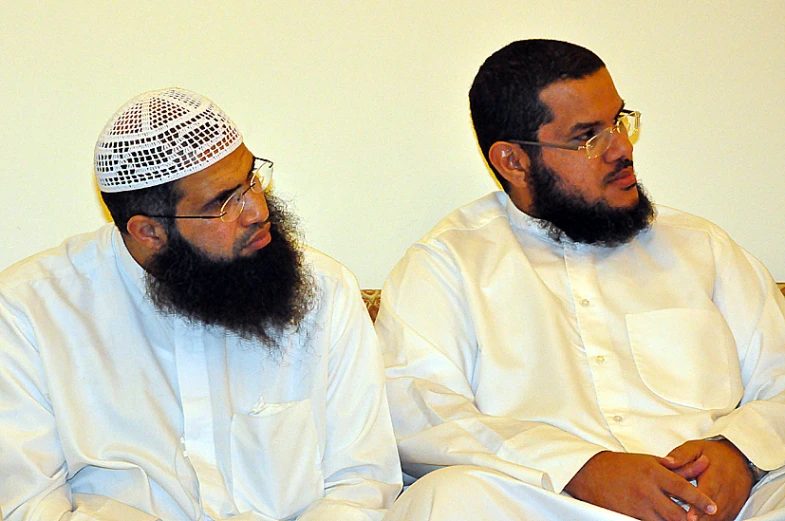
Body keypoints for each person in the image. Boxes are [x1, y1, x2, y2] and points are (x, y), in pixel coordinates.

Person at [377, 40, 785, 521]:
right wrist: (583, 468)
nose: (622, 148)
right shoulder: (449, 265)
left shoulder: (702, 248)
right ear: (513, 161)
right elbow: (418, 414)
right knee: (445, 499)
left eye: (619, 120)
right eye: (587, 137)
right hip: (558, 506)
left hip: (725, 506)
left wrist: (739, 451)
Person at [0, 88, 401, 521]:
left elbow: (361, 481)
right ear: (149, 232)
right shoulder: (29, 313)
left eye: (252, 180)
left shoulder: (323, 291)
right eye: (223, 203)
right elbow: (30, 504)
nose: (256, 211)